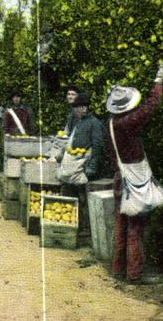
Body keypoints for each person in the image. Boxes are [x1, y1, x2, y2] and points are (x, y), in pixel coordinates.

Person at [105, 65, 163, 284]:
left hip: (119, 179)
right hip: (133, 182)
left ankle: (117, 269)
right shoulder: (127, 123)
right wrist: (158, 80)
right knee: (136, 226)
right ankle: (134, 274)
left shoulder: (112, 124)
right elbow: (151, 106)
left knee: (121, 224)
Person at [57, 92, 105, 232]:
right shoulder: (79, 122)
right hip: (75, 166)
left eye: (84, 107)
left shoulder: (94, 123)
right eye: (79, 107)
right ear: (75, 109)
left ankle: (85, 229)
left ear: (88, 108)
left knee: (83, 198)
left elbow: (97, 147)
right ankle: (73, 225)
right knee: (71, 195)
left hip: (85, 167)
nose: (82, 109)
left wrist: (91, 169)